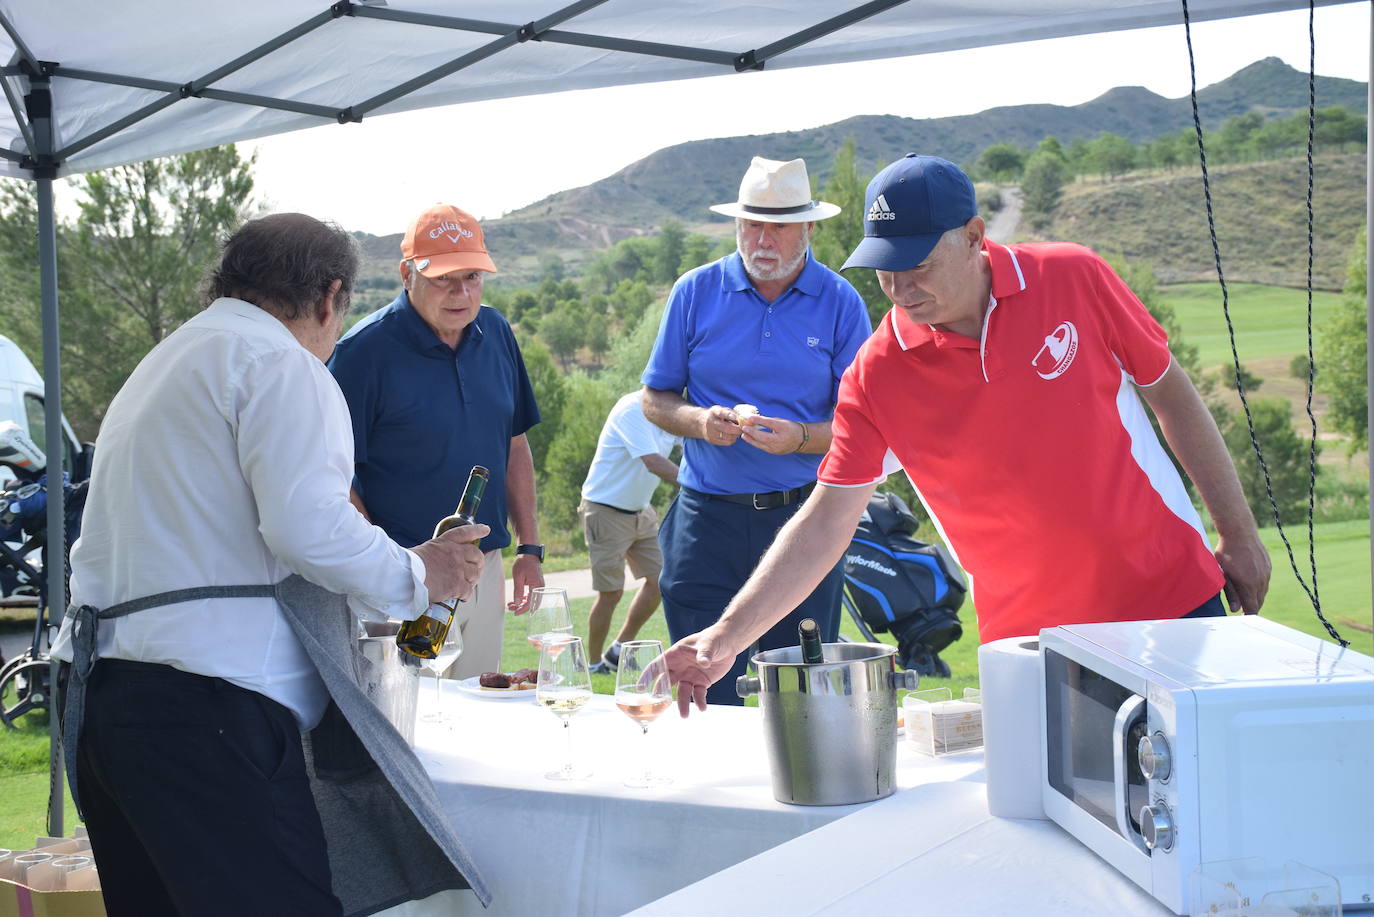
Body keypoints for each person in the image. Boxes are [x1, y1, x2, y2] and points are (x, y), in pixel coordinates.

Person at [665, 154, 1272, 714]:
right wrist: (724, 638)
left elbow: (1172, 395)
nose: (901, 290)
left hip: (1171, 602)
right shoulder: (876, 374)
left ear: (976, 237)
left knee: (1203, 806)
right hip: (1032, 647)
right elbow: (826, 522)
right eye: (885, 270)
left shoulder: (1074, 277)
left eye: (919, 265)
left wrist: (1238, 534)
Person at [51, 214, 492, 915]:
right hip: (206, 712)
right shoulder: (280, 361)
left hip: (106, 698)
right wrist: (422, 574)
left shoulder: (165, 361)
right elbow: (308, 526)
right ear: (330, 298)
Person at [641, 156, 873, 706]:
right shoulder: (695, 291)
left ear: (809, 227)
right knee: (701, 685)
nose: (762, 239)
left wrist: (800, 438)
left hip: (803, 520)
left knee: (799, 694)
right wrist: (699, 421)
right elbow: (655, 399)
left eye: (779, 226)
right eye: (751, 223)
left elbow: (864, 426)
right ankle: (705, 791)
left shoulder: (841, 302)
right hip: (705, 521)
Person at [329, 203, 544, 679]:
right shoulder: (361, 354)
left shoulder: (498, 333)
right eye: (443, 278)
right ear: (407, 274)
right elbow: (334, 477)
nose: (461, 293)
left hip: (483, 571)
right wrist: (389, 567)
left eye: (472, 277)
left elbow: (514, 446)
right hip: (410, 580)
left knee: (483, 708)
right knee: (410, 714)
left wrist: (530, 549)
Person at [579, 391, 681, 674]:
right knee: (611, 592)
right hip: (604, 510)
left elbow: (694, 447)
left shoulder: (670, 413)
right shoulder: (631, 409)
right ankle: (593, 663)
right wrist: (699, 486)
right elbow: (654, 462)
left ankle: (618, 649)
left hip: (640, 510)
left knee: (661, 580)